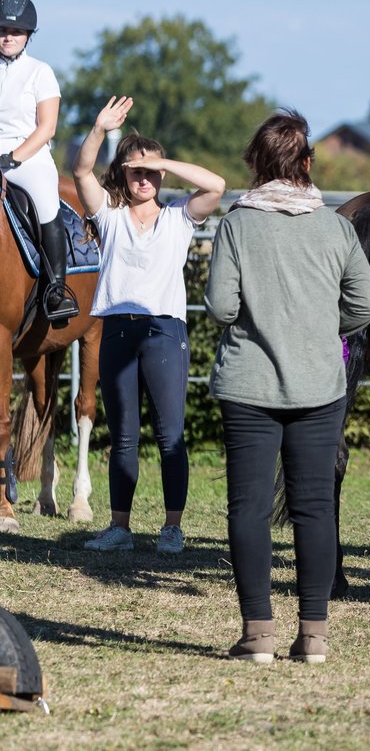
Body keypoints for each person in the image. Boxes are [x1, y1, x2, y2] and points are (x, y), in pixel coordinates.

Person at [206, 110, 370, 664]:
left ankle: (257, 635)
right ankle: (314, 637)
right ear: (307, 164)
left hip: (248, 383)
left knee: (248, 509)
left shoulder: (237, 223)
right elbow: (366, 306)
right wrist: (323, 327)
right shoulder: (335, 227)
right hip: (319, 384)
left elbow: (220, 306)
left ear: (258, 164)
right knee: (312, 509)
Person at [72, 96, 225, 553]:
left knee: (170, 434)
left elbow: (216, 185)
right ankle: (120, 528)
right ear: (122, 174)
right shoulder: (110, 216)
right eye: (135, 170)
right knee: (123, 434)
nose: (143, 179)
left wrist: (160, 160)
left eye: (151, 172)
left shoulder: (180, 216)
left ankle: (171, 529)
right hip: (118, 330)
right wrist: (99, 129)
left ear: (161, 175)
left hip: (164, 332)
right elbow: (81, 171)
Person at [0, 0, 77, 325]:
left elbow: (47, 128)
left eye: (15, 32)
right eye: (2, 30)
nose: (7, 37)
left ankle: (56, 291)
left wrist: (11, 158)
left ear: (28, 35)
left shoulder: (40, 72)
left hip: (27, 155)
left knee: (47, 201)